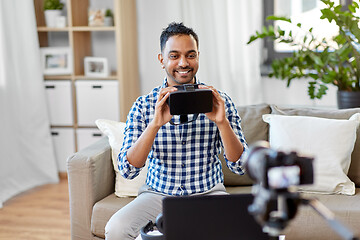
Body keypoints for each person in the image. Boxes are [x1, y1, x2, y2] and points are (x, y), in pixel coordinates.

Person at [105, 22, 248, 240]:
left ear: (198, 57)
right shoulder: (144, 105)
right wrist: (154, 125)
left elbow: (240, 166)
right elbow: (128, 170)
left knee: (239, 230)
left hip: (208, 193)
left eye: (190, 55)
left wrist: (222, 122)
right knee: (116, 229)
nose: (183, 63)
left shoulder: (220, 101)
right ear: (162, 59)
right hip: (157, 195)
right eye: (174, 55)